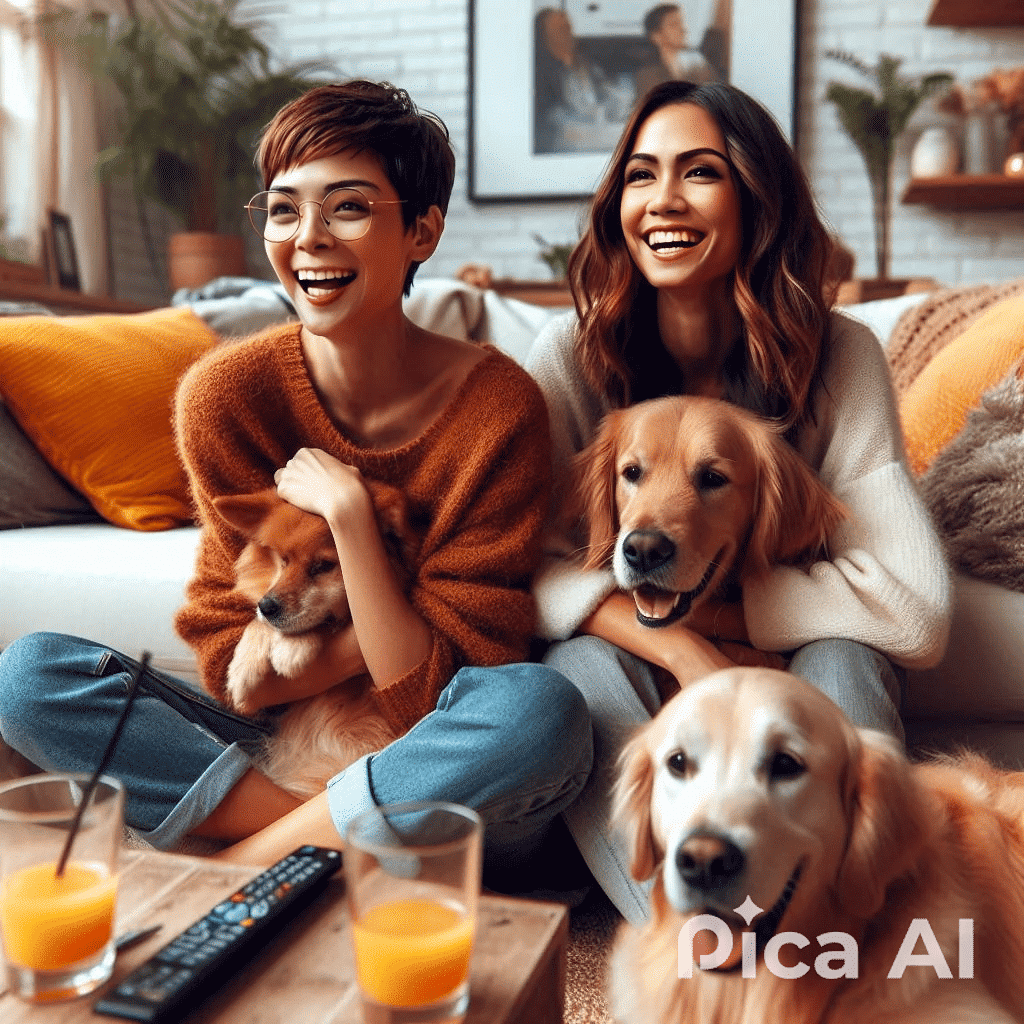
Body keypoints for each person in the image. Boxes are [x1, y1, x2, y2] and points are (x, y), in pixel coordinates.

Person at [0, 81, 591, 881]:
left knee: (537, 712)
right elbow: (226, 659)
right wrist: (326, 634)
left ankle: (242, 863)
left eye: (347, 207)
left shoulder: (499, 407)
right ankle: (325, 851)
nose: (307, 238)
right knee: (31, 676)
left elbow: (440, 683)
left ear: (422, 230)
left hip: (438, 758)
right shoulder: (226, 394)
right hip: (301, 751)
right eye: (283, 209)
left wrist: (349, 515)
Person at [525, 79, 952, 924]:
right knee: (575, 671)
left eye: (700, 173)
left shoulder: (840, 353)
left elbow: (914, 613)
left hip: (791, 657)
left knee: (844, 655)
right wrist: (685, 652)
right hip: (643, 659)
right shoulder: (572, 353)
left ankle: (846, 928)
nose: (663, 200)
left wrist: (733, 619)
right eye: (641, 176)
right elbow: (517, 558)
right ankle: (696, 950)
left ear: (756, 197)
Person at [637, 3, 717, 97]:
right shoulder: (648, 76)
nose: (683, 29)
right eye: (674, 24)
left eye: (681, 23)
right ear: (657, 36)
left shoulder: (699, 67)